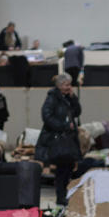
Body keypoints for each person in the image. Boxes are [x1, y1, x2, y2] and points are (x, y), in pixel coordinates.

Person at [36, 73, 82, 205]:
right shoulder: (52, 98)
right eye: (67, 85)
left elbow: (77, 112)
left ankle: (64, 196)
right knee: (61, 171)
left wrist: (73, 98)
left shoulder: (67, 97)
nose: (69, 87)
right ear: (60, 85)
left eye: (70, 84)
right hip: (58, 140)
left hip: (68, 139)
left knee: (68, 169)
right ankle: (61, 198)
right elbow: (46, 116)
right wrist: (64, 126)